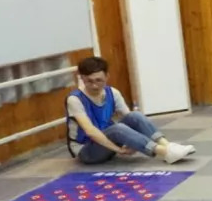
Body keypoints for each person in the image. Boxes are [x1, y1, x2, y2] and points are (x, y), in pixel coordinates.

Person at [66, 56, 195, 165]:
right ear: (82, 78)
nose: (94, 85)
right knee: (117, 128)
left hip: (108, 143)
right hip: (87, 151)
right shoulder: (75, 99)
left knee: (135, 116)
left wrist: (132, 142)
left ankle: (167, 145)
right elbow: (91, 131)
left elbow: (132, 121)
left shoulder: (113, 93)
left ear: (107, 76)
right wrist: (119, 150)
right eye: (89, 81)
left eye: (99, 80)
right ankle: (164, 152)